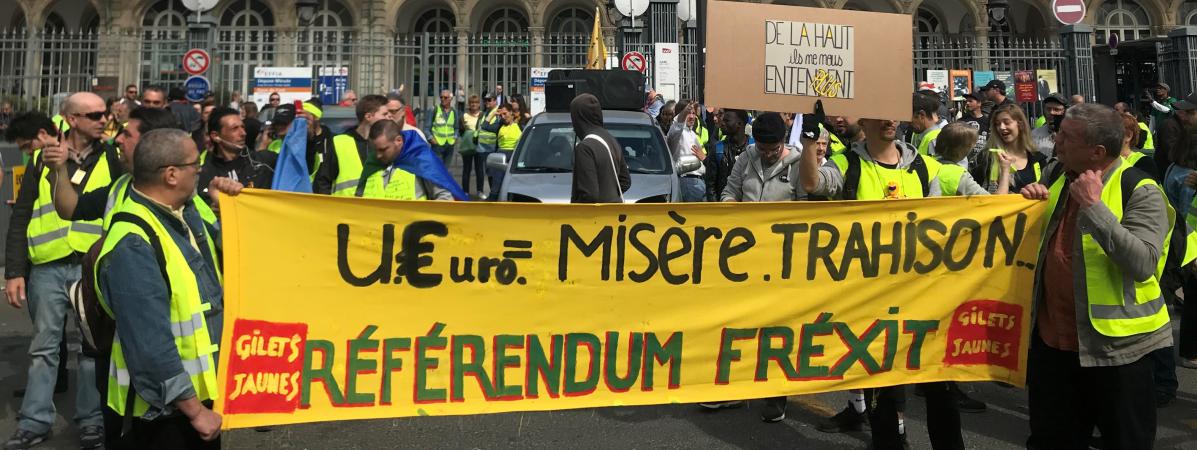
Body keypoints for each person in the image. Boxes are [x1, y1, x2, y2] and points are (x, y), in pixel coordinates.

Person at [799, 101, 963, 450]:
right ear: (865, 119)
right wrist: (810, 139)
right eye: (882, 112)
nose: (890, 119)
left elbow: (978, 204)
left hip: (924, 300)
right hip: (872, 303)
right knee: (884, 397)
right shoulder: (849, 164)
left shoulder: (924, 167)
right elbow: (812, 183)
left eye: (894, 113)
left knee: (941, 395)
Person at [1019, 103, 1173, 450]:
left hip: (1117, 353)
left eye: (1067, 138)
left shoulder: (1140, 188)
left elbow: (1143, 262)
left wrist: (1094, 207)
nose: (1056, 143)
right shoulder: (1057, 173)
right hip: (1053, 347)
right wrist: (1029, 202)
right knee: (1049, 441)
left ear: (1097, 151)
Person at [4, 93, 121, 450]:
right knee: (43, 347)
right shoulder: (40, 158)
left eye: (105, 113)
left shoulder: (114, 157)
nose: (104, 119)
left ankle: (91, 421)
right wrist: (14, 271)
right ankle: (34, 421)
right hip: (48, 267)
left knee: (91, 349)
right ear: (71, 120)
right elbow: (21, 215)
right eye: (95, 114)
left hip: (92, 266)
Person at [96, 128, 223, 449]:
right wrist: (194, 411)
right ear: (171, 175)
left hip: (194, 397)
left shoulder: (184, 211)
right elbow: (149, 342)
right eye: (196, 165)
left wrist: (230, 207)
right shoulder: (133, 242)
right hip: (162, 411)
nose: (200, 171)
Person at [314, 94, 391, 197]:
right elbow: (322, 183)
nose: (389, 117)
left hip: (379, 210)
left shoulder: (390, 144)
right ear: (368, 116)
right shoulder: (340, 143)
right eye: (384, 114)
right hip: (347, 210)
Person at [355, 120, 453, 200]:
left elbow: (444, 198)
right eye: (375, 150)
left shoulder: (421, 161)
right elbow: (359, 199)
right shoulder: (372, 163)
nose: (378, 156)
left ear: (398, 141)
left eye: (383, 150)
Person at [197, 107, 275, 203]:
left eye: (243, 127)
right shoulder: (204, 175)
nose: (243, 133)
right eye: (235, 129)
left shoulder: (264, 161)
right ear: (216, 136)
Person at [971, 103, 1046, 194]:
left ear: (1020, 124)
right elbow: (972, 192)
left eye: (1006, 122)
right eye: (997, 124)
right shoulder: (986, 157)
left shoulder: (1038, 158)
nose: (1001, 127)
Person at [570, 93, 629, 203]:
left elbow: (589, 195)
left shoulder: (585, 147)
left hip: (592, 218)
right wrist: (609, 194)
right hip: (613, 214)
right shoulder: (611, 139)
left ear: (579, 118)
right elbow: (625, 182)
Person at [667, 100, 707, 202]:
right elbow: (678, 124)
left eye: (693, 113)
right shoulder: (677, 133)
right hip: (688, 181)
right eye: (689, 113)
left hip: (700, 182)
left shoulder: (692, 134)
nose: (692, 117)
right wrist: (685, 111)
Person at [709, 109, 753, 201]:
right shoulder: (717, 149)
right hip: (725, 207)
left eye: (726, 121)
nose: (722, 124)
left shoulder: (754, 148)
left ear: (739, 124)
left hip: (749, 208)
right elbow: (710, 186)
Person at [477, 93, 502, 199]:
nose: (487, 102)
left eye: (489, 100)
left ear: (495, 101)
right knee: (487, 173)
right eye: (485, 100)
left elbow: (494, 128)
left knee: (492, 173)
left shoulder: (498, 112)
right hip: (482, 148)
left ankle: (494, 196)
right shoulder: (485, 112)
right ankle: (491, 195)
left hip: (491, 148)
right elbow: (480, 127)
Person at [460, 95, 484, 198]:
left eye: (476, 102)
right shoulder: (464, 115)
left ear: (479, 104)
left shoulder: (483, 115)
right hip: (468, 145)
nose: (474, 104)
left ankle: (480, 191)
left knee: (479, 169)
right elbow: (461, 130)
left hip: (480, 145)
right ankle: (465, 191)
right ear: (469, 104)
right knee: (467, 169)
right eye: (472, 102)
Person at [428, 89, 459, 167]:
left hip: (449, 145)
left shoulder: (454, 111)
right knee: (437, 169)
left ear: (450, 99)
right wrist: (431, 139)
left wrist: (455, 138)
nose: (442, 99)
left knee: (446, 170)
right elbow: (426, 127)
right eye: (441, 97)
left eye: (445, 97)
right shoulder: (434, 110)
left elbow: (456, 127)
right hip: (437, 145)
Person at [1031, 94, 1067, 158]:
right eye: (1048, 109)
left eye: (1056, 109)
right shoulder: (1034, 135)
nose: (1051, 112)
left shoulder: (1073, 135)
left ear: (1065, 112)